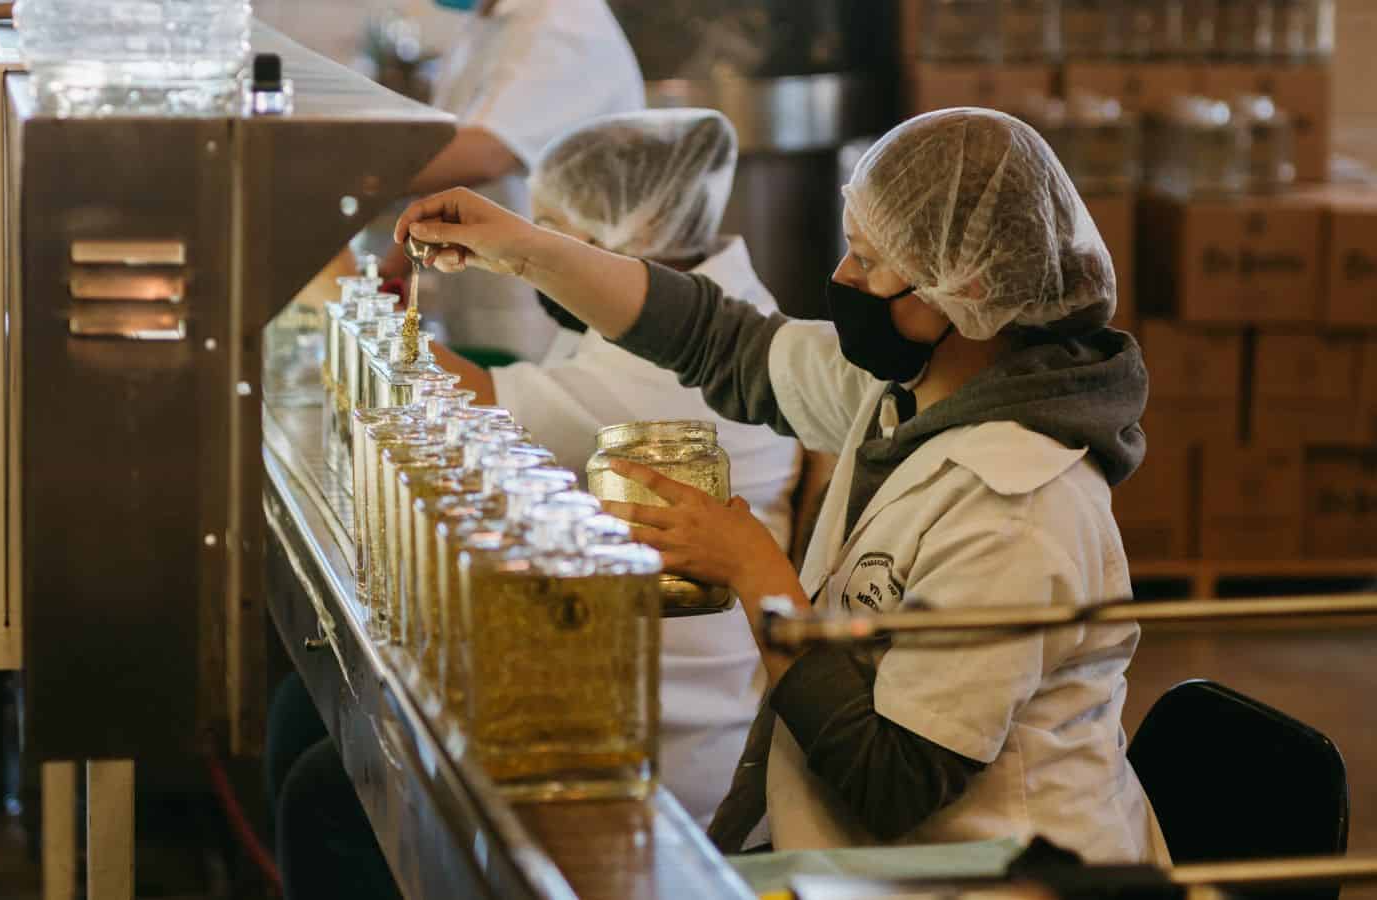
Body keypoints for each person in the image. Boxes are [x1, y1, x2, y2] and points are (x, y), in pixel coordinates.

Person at [394, 107, 1169, 862]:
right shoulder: (911, 389)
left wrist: (755, 571)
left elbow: (892, 781)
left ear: (958, 291)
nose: (841, 278)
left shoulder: (1020, 507)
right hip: (855, 855)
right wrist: (529, 250)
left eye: (866, 260)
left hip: (989, 878)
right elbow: (717, 340)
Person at [429, 107, 802, 826]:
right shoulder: (708, 300)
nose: (533, 256)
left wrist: (331, 281)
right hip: (615, 687)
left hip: (663, 743)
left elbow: (457, 405)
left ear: (623, 236)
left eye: (548, 235)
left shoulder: (672, 371)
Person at [387, 0, 645, 361]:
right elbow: (445, 161)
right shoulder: (486, 22)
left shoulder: (563, 22)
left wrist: (346, 180)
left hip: (550, 310)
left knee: (535, 409)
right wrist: (393, 269)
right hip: (487, 293)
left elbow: (485, 154)